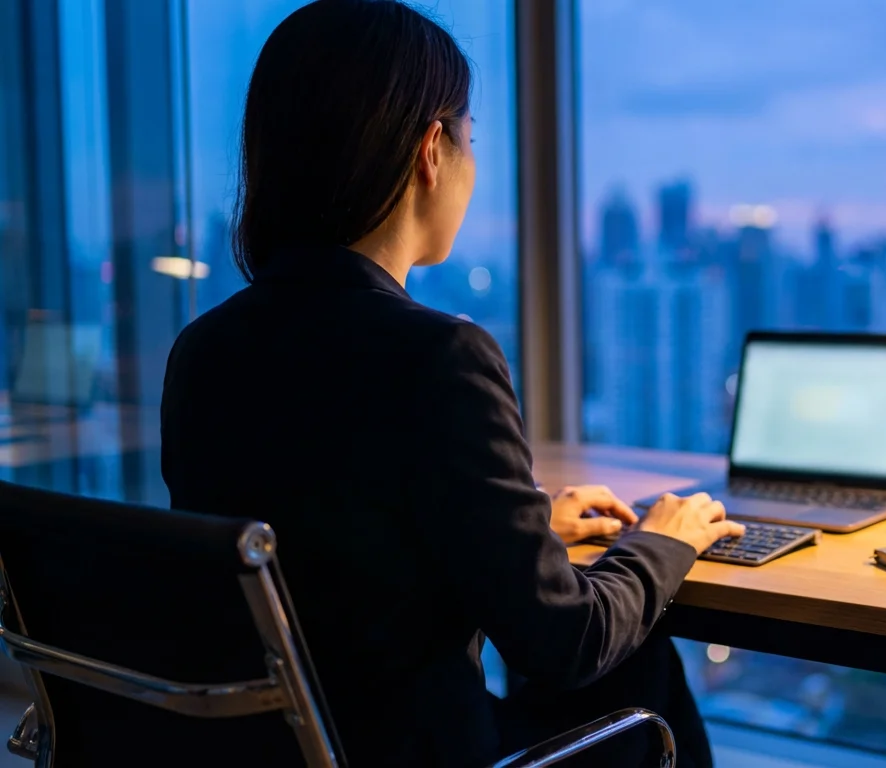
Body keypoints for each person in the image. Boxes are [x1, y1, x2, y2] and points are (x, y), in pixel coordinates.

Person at [159, 1, 742, 765]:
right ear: (432, 150)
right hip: (417, 751)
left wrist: (523, 527)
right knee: (636, 663)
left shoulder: (203, 350)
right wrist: (662, 544)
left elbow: (327, 541)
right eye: (472, 140)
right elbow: (566, 641)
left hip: (283, 748)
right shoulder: (440, 355)